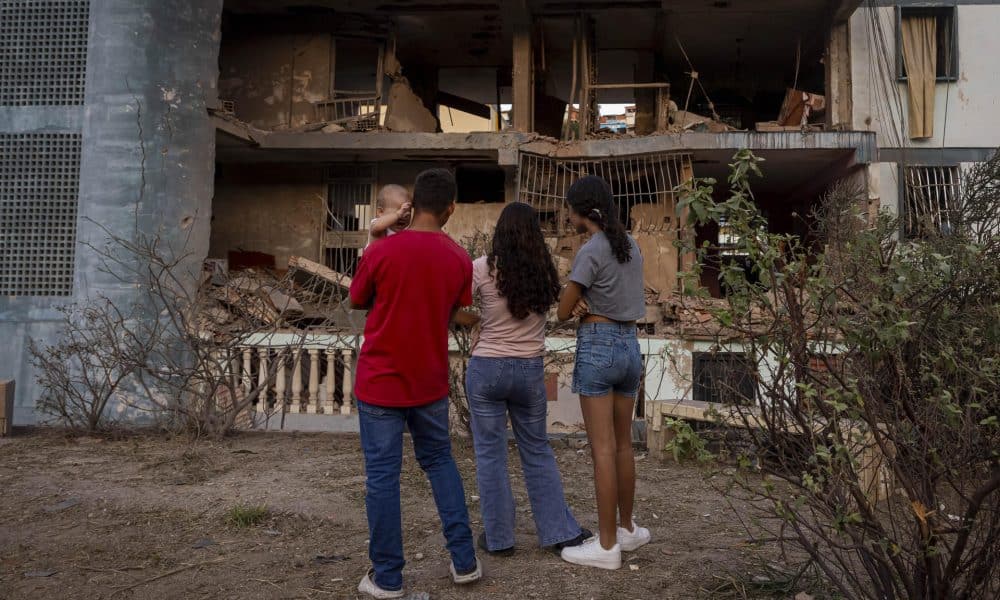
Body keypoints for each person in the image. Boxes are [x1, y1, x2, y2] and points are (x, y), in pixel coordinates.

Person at [349, 169, 480, 599]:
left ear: (411, 205)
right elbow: (456, 310)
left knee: (383, 478)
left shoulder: (383, 252)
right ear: (450, 209)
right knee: (440, 463)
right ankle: (464, 561)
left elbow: (357, 299)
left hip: (381, 383)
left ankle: (388, 578)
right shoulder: (459, 258)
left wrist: (377, 235)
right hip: (429, 382)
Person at [464, 202, 592, 557]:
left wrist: (475, 321)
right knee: (537, 449)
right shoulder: (543, 270)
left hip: (487, 368)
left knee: (490, 455)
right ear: (535, 233)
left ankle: (499, 539)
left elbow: (453, 304)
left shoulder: (481, 268)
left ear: (500, 232)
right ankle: (559, 532)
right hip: (529, 371)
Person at [556, 175, 651, 570]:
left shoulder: (591, 250)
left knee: (602, 450)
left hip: (598, 344)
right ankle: (626, 530)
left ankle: (607, 545)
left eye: (569, 210)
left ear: (582, 212)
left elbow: (563, 310)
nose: (567, 216)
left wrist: (577, 305)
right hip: (630, 345)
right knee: (624, 445)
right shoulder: (631, 245)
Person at [366, 184, 412, 248]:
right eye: (399, 211)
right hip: (374, 257)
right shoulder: (380, 226)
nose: (403, 215)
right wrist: (397, 215)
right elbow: (376, 227)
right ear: (380, 212)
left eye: (407, 212)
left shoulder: (407, 231)